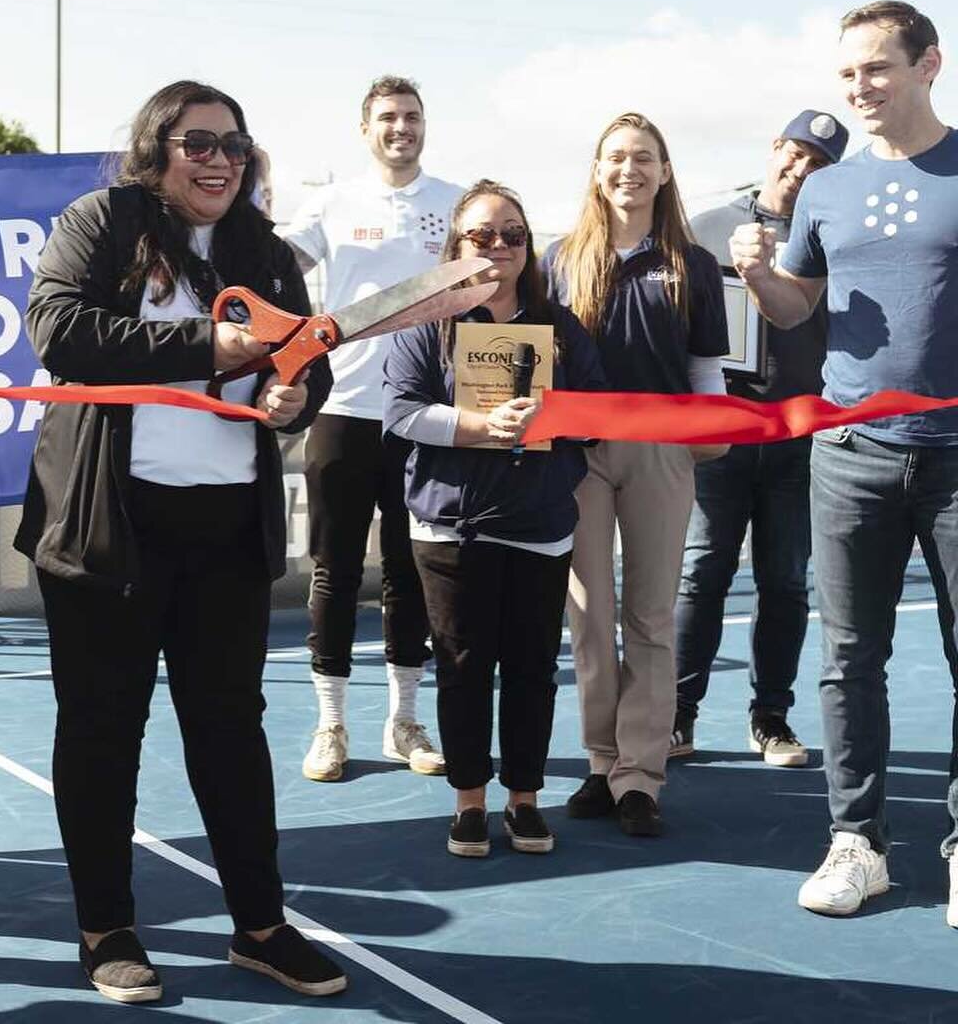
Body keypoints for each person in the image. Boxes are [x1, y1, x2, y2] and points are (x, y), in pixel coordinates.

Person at [14, 81, 347, 1004]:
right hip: (108, 528)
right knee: (101, 731)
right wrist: (209, 346)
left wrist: (292, 399)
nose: (219, 161)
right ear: (156, 148)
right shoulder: (103, 220)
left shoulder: (267, 251)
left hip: (225, 528)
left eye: (235, 146)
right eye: (198, 143)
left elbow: (299, 366)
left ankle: (261, 925)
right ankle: (106, 928)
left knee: (231, 732)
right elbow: (61, 332)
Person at [732, 0, 958, 925]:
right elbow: (795, 309)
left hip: (957, 458)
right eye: (846, 74)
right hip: (850, 452)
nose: (859, 88)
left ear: (928, 65)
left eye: (876, 68)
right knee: (846, 657)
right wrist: (756, 271)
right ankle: (858, 841)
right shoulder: (824, 191)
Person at [385, 181, 604, 857]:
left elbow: (594, 418)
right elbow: (400, 412)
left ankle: (525, 799)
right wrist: (484, 426)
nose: (500, 245)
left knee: (534, 668)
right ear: (456, 244)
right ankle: (469, 801)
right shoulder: (427, 322)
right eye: (483, 234)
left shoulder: (561, 328)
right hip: (451, 527)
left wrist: (550, 416)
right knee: (462, 665)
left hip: (539, 524)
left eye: (513, 233)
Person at [545, 112, 728, 837]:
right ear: (596, 170)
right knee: (587, 615)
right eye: (617, 157)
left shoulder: (693, 264)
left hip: (660, 450)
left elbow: (706, 371)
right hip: (579, 454)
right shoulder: (559, 260)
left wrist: (703, 439)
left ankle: (641, 774)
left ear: (665, 171)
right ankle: (600, 759)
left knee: (650, 613)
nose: (630, 169)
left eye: (644, 157)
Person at [283, 76, 460, 783]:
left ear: (424, 125)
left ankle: (404, 719)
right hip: (343, 412)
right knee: (333, 571)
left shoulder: (453, 202)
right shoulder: (330, 202)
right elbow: (275, 267)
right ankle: (331, 723)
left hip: (421, 414)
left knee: (411, 572)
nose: (400, 128)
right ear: (365, 129)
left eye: (411, 116)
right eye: (387, 117)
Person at [672, 110, 847, 766]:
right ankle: (677, 715)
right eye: (797, 153)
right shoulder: (711, 226)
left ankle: (770, 718)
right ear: (775, 149)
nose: (802, 169)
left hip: (801, 437)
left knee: (785, 580)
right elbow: (672, 314)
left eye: (820, 163)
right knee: (701, 573)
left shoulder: (836, 233)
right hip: (723, 432)